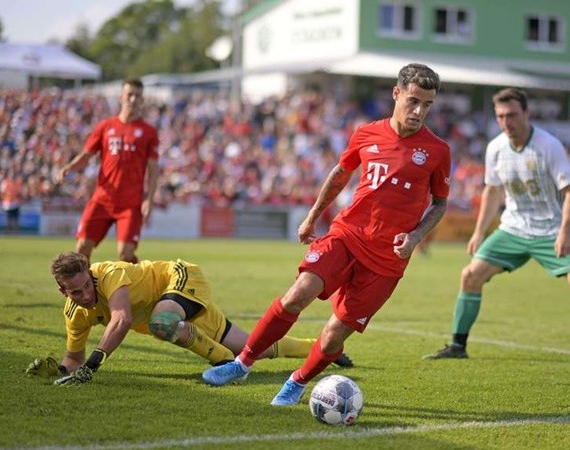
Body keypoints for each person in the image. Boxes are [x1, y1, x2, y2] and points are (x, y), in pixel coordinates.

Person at [202, 63, 451, 406]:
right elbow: (340, 173)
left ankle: (297, 382)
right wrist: (312, 216)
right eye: (413, 101)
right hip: (347, 234)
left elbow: (440, 204)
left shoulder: (438, 150)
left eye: (427, 105)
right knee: (296, 295)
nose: (419, 111)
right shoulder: (366, 133)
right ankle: (242, 362)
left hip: (388, 258)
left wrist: (416, 237)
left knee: (335, 333)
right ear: (397, 93)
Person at [423, 88, 570, 364]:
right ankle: (457, 345)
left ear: (526, 113)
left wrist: (564, 233)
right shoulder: (496, 148)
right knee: (470, 276)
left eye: (511, 115)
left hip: (551, 230)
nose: (506, 122)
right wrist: (478, 232)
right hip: (514, 229)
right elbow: (492, 192)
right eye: (500, 116)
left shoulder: (549, 146)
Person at [25, 252, 353, 385]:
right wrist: (59, 369)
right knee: (257, 346)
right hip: (173, 313)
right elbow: (73, 358)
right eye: (76, 292)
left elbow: (121, 319)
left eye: (86, 286)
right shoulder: (74, 315)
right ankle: (322, 349)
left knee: (161, 323)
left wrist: (94, 364)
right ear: (62, 292)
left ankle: (229, 366)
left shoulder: (108, 274)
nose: (86, 295)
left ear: (90, 274)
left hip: (180, 281)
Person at [55, 78, 159, 263]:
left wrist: (149, 200)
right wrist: (69, 167)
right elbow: (87, 155)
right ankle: (83, 291)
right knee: (81, 248)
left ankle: (135, 289)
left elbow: (153, 169)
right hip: (102, 199)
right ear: (121, 97)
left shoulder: (148, 132)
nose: (133, 100)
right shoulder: (106, 126)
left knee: (125, 254)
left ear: (142, 100)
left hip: (130, 203)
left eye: (138, 96)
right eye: (130, 95)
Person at [0, 169, 25, 235]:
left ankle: (17, 234)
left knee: (16, 220)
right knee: (7, 219)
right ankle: (6, 233)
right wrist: (4, 199)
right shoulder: (5, 183)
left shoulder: (17, 183)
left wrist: (19, 198)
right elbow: (1, 193)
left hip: (16, 204)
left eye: (13, 174)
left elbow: (20, 193)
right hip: (8, 204)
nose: (12, 176)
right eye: (11, 174)